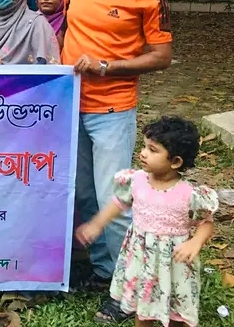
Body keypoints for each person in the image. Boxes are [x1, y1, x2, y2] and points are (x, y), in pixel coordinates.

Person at [61, 0, 172, 319]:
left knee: (116, 198)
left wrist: (108, 66)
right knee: (84, 194)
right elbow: (68, 31)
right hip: (70, 104)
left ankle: (130, 292)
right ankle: (104, 271)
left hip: (112, 109)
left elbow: (161, 56)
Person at [76, 116, 218, 326]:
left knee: (176, 310)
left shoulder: (189, 194)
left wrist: (195, 242)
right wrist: (97, 224)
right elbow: (119, 203)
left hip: (174, 262)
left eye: (153, 150)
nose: (143, 153)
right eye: (144, 146)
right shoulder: (136, 181)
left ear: (175, 162)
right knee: (142, 307)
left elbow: (206, 222)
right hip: (142, 258)